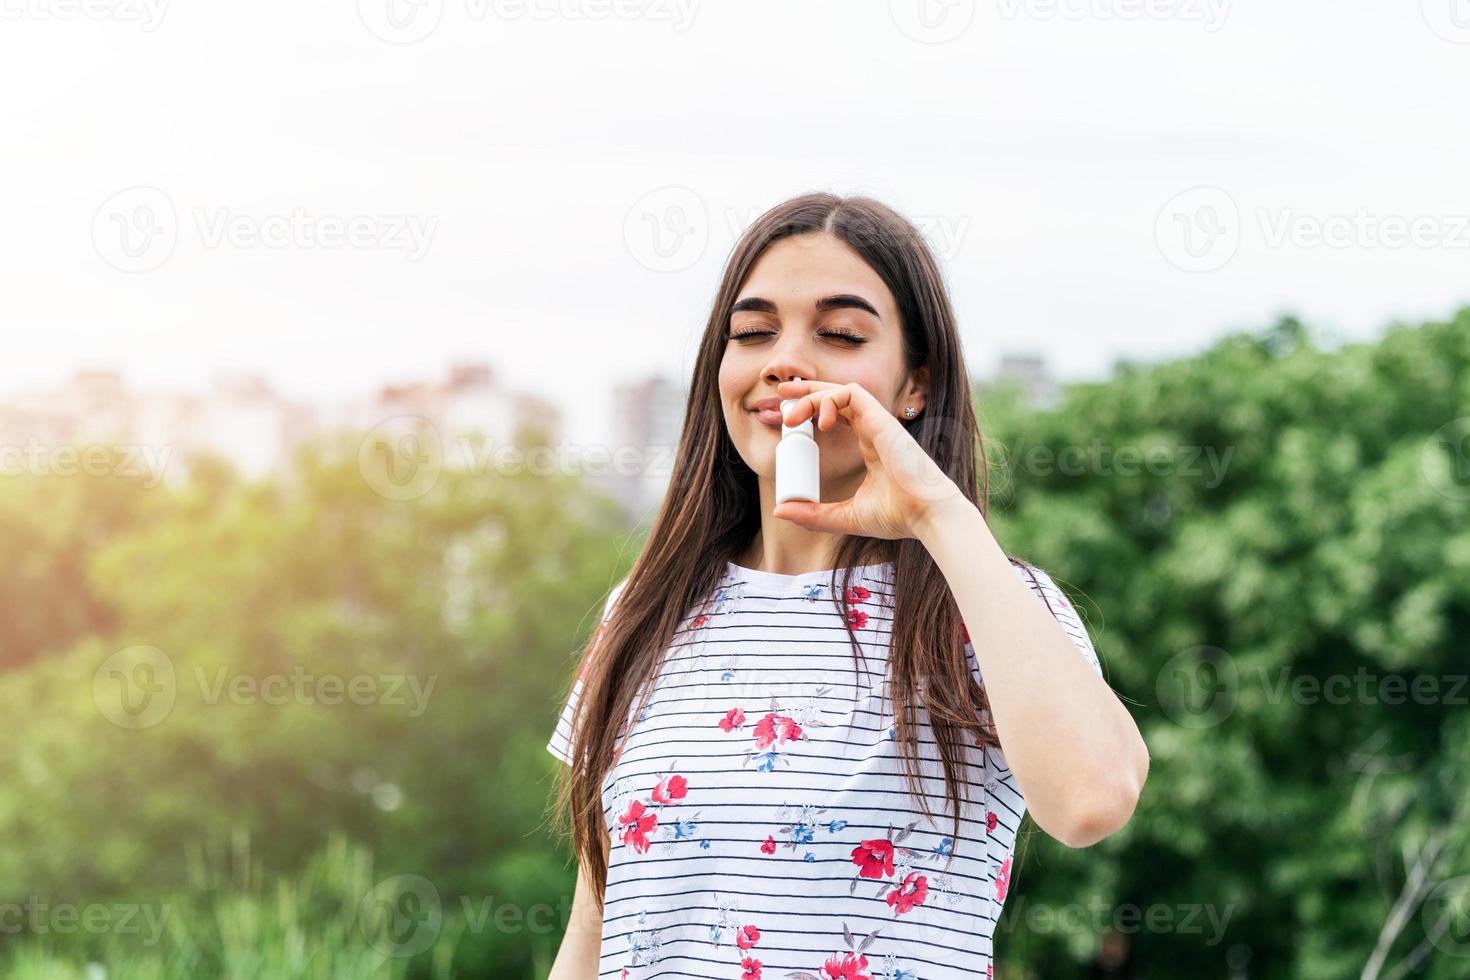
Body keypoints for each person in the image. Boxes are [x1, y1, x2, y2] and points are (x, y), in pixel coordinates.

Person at [546, 192, 1148, 980]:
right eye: (753, 331)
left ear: (915, 386)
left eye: (840, 334)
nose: (784, 359)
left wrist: (938, 512)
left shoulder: (984, 602)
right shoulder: (646, 609)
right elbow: (595, 926)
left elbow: (1093, 799)